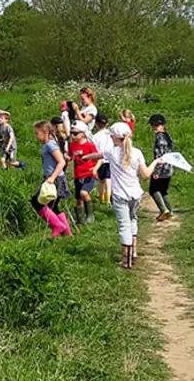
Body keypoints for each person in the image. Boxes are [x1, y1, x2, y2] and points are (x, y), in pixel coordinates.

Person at [81, 122, 162, 269]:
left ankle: (126, 260)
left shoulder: (112, 153)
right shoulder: (137, 153)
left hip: (119, 195)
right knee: (132, 219)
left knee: (124, 225)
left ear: (115, 138)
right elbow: (145, 174)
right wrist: (156, 162)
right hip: (136, 194)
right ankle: (134, 253)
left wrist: (85, 157)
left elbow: (98, 155)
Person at [33, 121, 72, 237]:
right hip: (52, 177)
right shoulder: (48, 144)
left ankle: (57, 226)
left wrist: (51, 178)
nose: (36, 136)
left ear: (45, 132)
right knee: (53, 206)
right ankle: (67, 234)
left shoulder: (50, 145)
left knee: (36, 202)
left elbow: (61, 162)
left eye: (37, 133)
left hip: (54, 178)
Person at [68, 122, 99, 225]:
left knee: (84, 193)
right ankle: (80, 220)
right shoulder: (72, 145)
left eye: (75, 133)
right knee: (78, 199)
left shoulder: (89, 146)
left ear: (83, 134)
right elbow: (70, 157)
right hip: (78, 174)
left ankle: (90, 214)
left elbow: (99, 159)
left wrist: (95, 168)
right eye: (71, 133)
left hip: (89, 174)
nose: (72, 135)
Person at [149, 114, 176, 221]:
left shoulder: (159, 138)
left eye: (156, 125)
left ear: (162, 125)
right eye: (153, 125)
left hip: (162, 169)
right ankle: (171, 211)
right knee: (164, 190)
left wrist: (156, 171)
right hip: (169, 167)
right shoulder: (167, 135)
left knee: (153, 190)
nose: (154, 127)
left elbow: (159, 156)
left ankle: (163, 210)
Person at [93, 114, 114, 205]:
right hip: (110, 159)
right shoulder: (111, 134)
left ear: (96, 123)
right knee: (108, 180)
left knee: (100, 181)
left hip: (100, 159)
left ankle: (102, 199)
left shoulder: (96, 136)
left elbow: (94, 149)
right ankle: (108, 199)